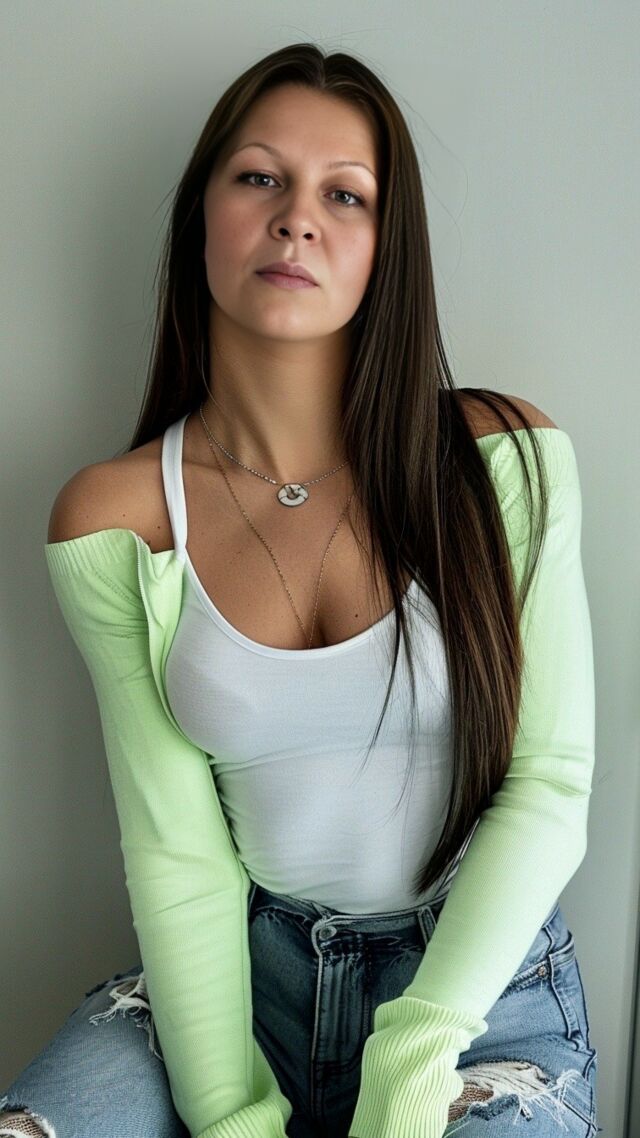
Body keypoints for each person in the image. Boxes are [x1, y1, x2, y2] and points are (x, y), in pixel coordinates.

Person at [2, 41, 599, 1138]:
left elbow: (550, 783)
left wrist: (413, 1054)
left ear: (385, 246)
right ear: (203, 216)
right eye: (259, 178)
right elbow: (177, 853)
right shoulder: (116, 518)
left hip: (481, 1005)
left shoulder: (499, 458)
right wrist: (229, 1112)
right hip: (237, 995)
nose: (296, 221)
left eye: (344, 194)